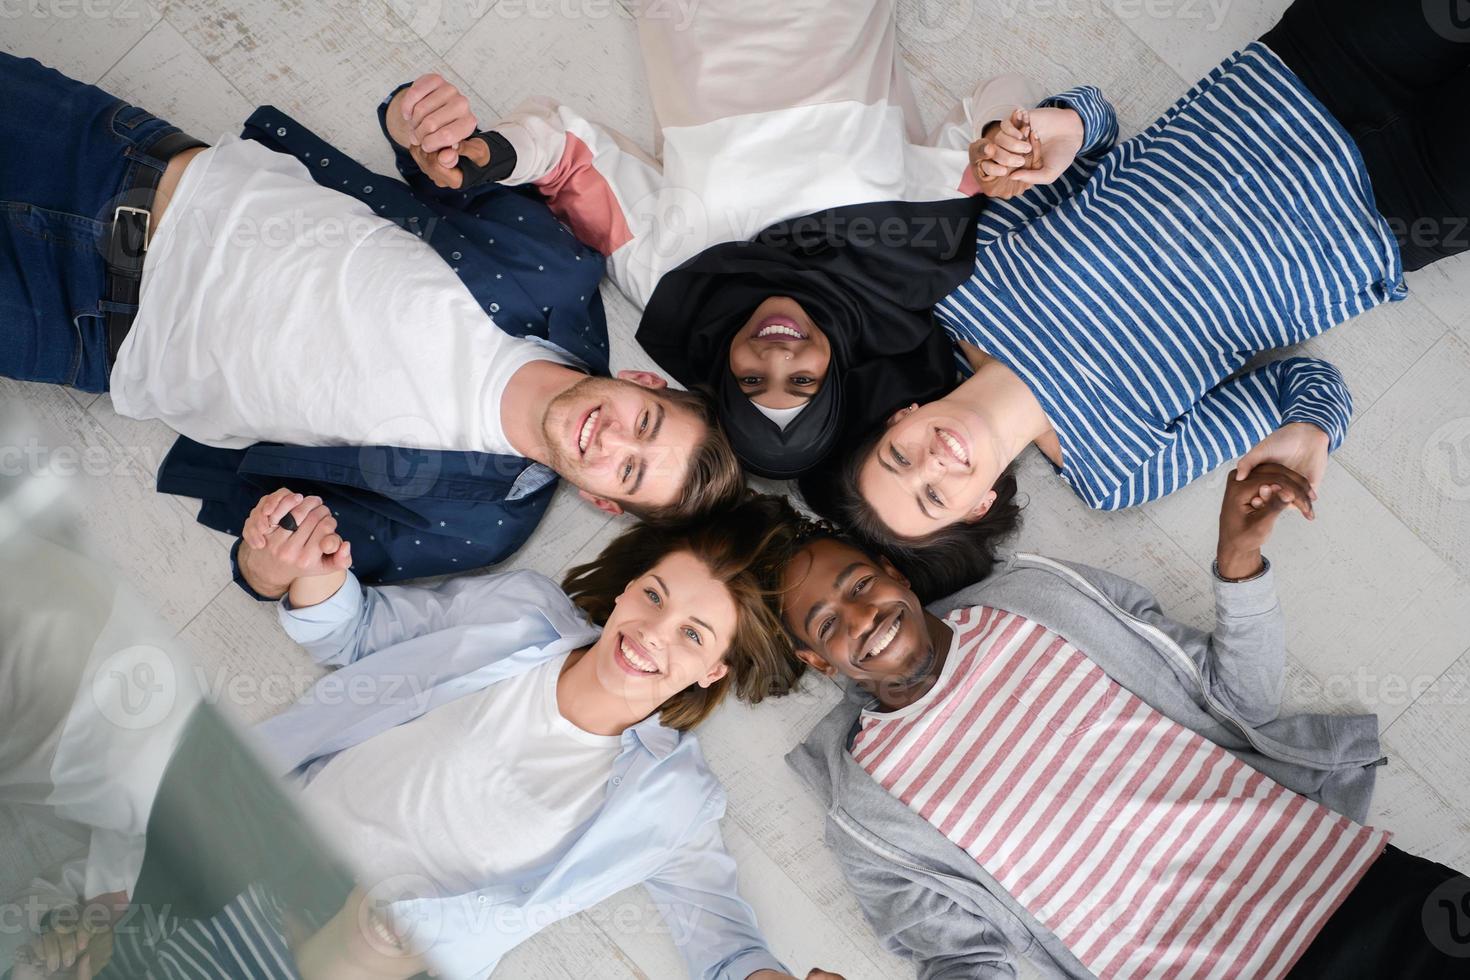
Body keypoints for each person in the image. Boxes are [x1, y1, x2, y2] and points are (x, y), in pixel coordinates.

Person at [11, 488, 846, 980]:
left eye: (695, 636)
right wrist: (308, 578)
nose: (653, 633)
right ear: (629, 588)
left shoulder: (673, 803)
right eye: (656, 595)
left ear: (712, 673)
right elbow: (358, 634)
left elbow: (722, 942)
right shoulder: (521, 616)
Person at [0, 51, 745, 591]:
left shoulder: (475, 525)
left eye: (629, 469)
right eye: (644, 422)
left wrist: (268, 568)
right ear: (645, 382)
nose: (613, 438)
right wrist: (412, 119)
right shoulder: (555, 269)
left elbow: (277, 561)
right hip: (125, 162)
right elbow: (436, 166)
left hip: (77, 323)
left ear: (602, 500)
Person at [821, 0, 1470, 598]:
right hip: (1400, 209)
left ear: (898, 417)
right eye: (933, 497)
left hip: (1307, 70)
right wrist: (1312, 431)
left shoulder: (966, 283)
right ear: (977, 508)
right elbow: (1306, 383)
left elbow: (1097, 126)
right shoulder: (1119, 474)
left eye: (898, 456)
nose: (929, 461)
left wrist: (1063, 125)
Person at [778, 465, 1470, 979]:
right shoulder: (868, 815)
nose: (862, 619)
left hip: (1345, 886)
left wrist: (1238, 562)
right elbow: (965, 961)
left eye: (860, 585)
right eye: (828, 624)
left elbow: (1238, 702)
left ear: (892, 569)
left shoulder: (1039, 599)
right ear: (821, 662)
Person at [390, 0, 1047, 475]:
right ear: (836, 373)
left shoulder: (674, 280)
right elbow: (1006, 94)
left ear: (725, 379)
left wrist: (488, 156)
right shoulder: (906, 252)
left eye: (754, 382)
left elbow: (569, 158)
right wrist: (1005, 144)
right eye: (804, 382)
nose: (777, 356)